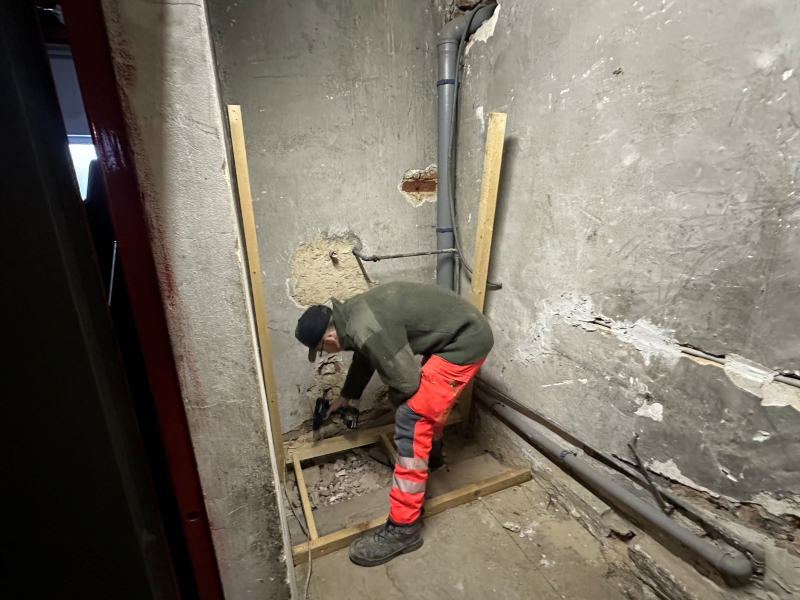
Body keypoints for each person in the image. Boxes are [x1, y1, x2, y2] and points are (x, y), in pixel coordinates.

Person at [294, 281, 493, 566]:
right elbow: (366, 355)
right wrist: (346, 397)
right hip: (455, 336)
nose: (327, 353)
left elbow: (408, 382)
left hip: (464, 344)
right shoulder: (352, 315)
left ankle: (404, 529)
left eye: (323, 349)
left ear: (329, 335)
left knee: (412, 417)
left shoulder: (363, 327)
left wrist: (399, 402)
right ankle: (433, 458)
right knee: (424, 404)